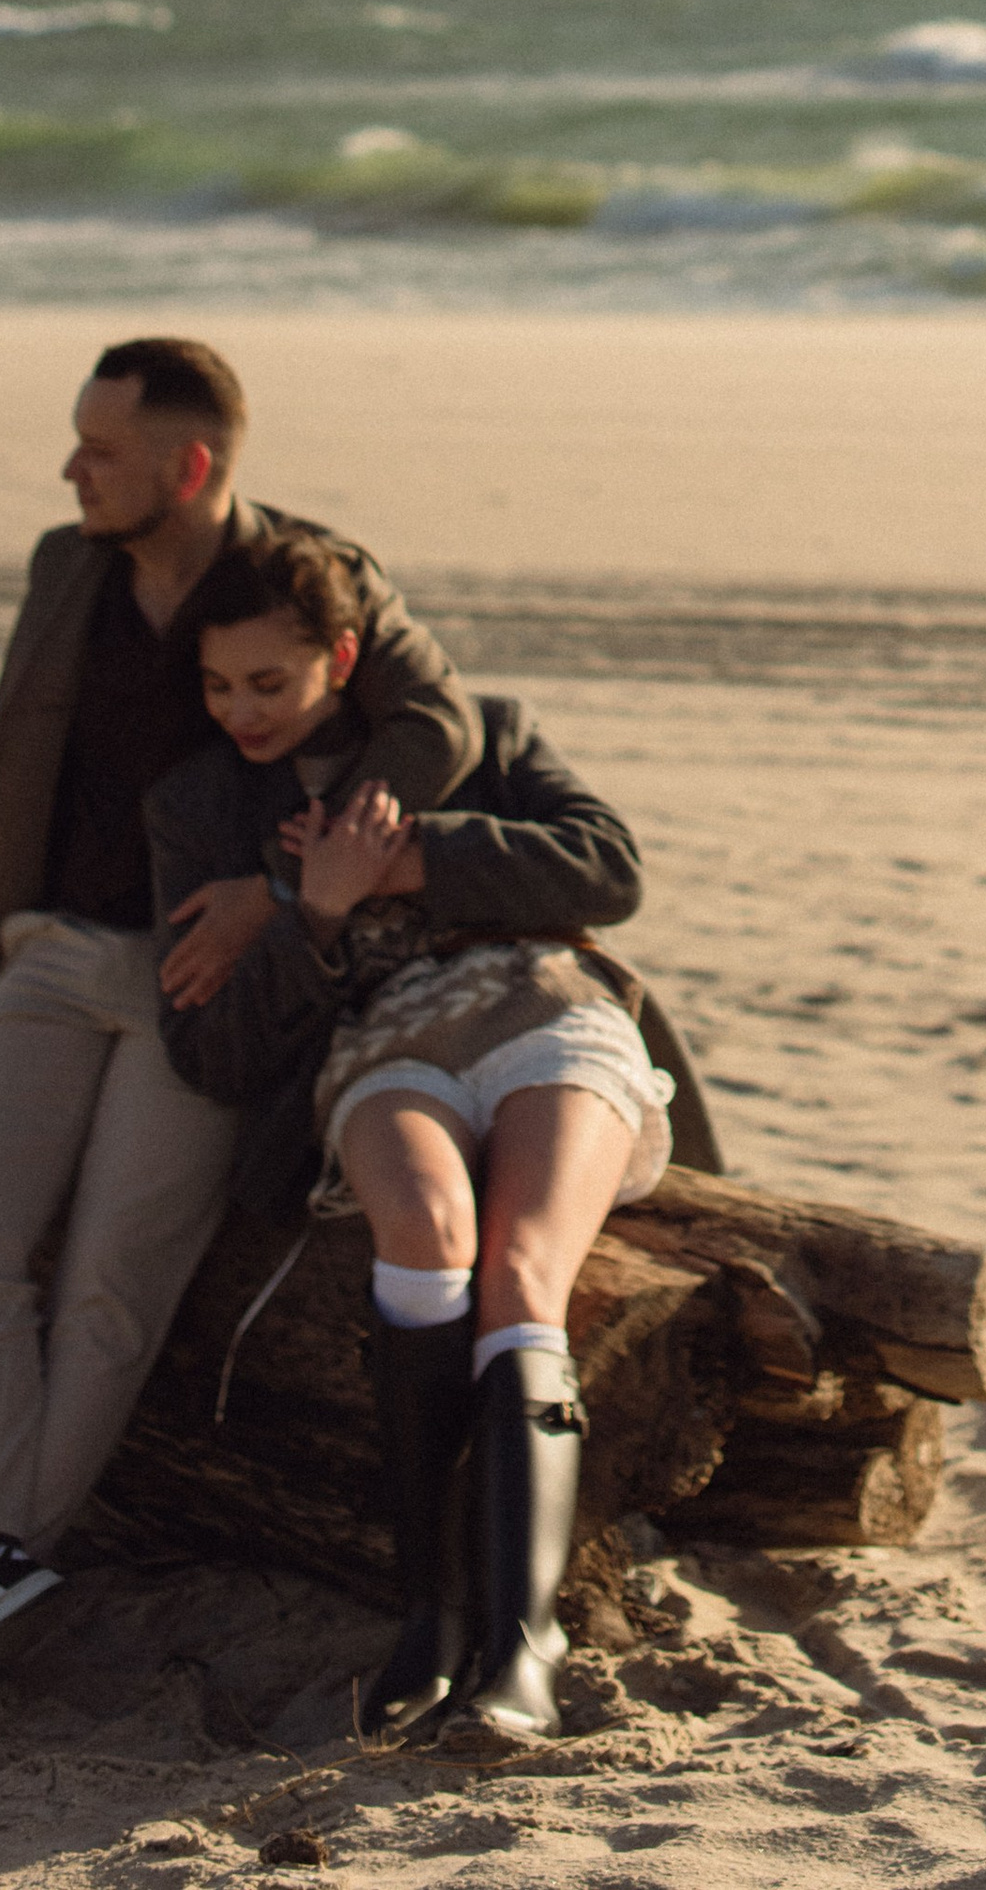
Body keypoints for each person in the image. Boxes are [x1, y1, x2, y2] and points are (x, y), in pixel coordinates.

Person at [0, 337, 479, 1734]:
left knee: (121, 1269)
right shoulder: (69, 566)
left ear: (190, 464)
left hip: (210, 979)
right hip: (57, 952)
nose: (72, 469)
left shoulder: (310, 575)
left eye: (100, 448)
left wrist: (288, 887)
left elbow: (440, 721)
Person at [146, 536, 675, 1745]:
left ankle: (521, 1644)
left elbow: (610, 867)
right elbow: (214, 1053)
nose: (240, 712)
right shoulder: (199, 806)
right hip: (385, 1045)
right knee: (431, 1234)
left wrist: (410, 860)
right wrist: (309, 912)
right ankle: (428, 1621)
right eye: (219, 687)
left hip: (545, 1006)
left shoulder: (483, 732)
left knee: (523, 1269)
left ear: (340, 656)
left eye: (268, 684)